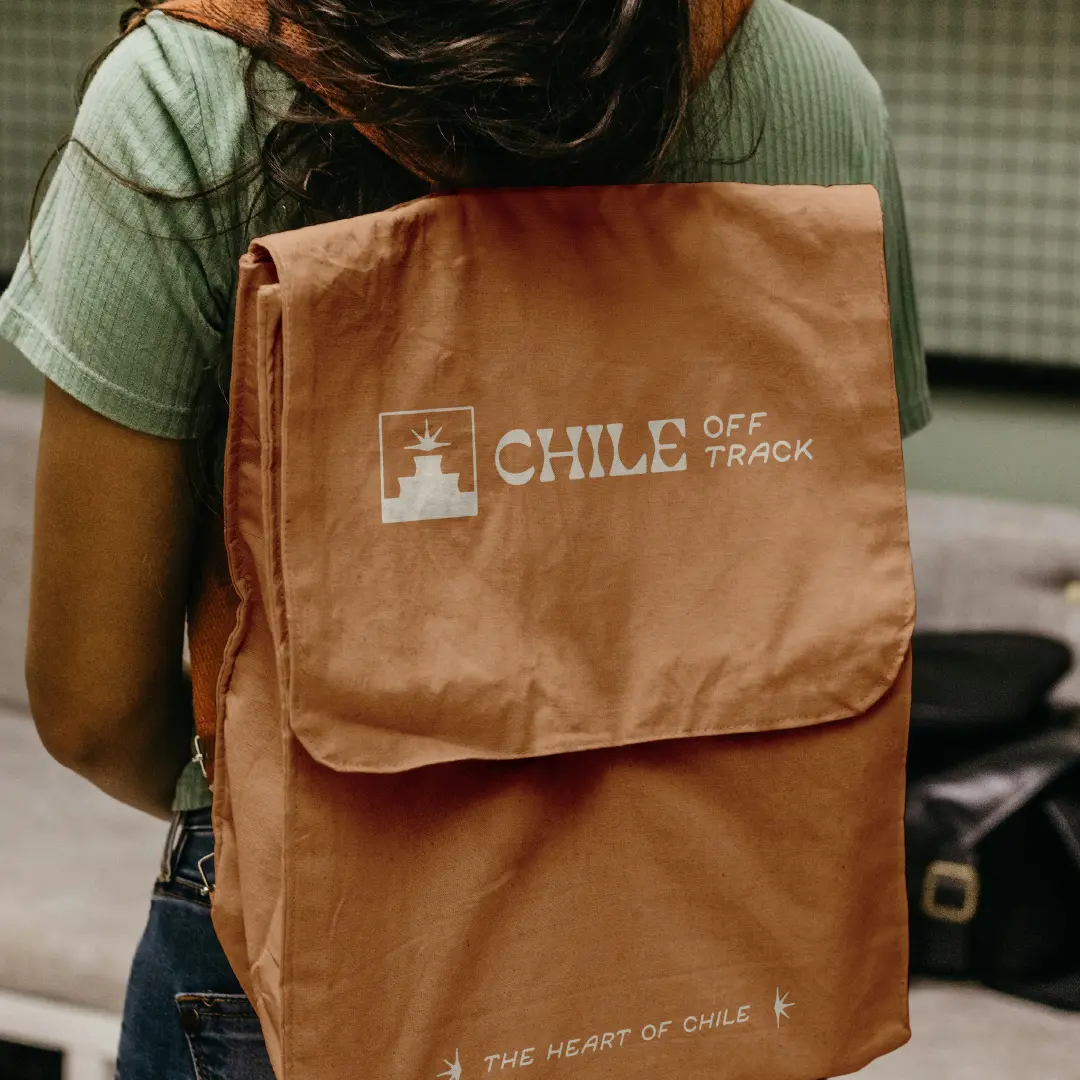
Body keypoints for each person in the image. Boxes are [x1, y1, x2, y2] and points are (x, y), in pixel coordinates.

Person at [0, 0, 930, 1075]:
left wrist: (281, 792)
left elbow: (94, 708)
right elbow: (840, 559)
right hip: (715, 938)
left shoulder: (185, 95)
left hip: (312, 959)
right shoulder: (812, 81)